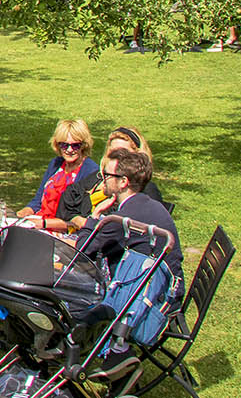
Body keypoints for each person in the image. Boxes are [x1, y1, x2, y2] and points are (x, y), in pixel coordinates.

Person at [74, 147, 184, 379]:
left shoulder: (123, 218)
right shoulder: (142, 205)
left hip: (153, 301)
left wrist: (94, 217)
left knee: (74, 286)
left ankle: (87, 349)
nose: (101, 180)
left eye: (106, 175)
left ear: (123, 182)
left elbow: (82, 250)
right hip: (160, 288)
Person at [69, 125, 166, 223]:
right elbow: (68, 199)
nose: (117, 157)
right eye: (113, 152)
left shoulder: (144, 189)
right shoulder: (98, 177)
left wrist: (87, 223)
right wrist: (76, 219)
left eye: (123, 152)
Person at [17, 118, 99, 232]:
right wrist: (25, 212)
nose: (69, 150)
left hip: (66, 233)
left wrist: (44, 223)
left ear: (84, 145)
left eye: (75, 145)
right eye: (64, 145)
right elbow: (38, 200)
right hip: (40, 223)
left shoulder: (91, 171)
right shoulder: (56, 164)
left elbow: (80, 220)